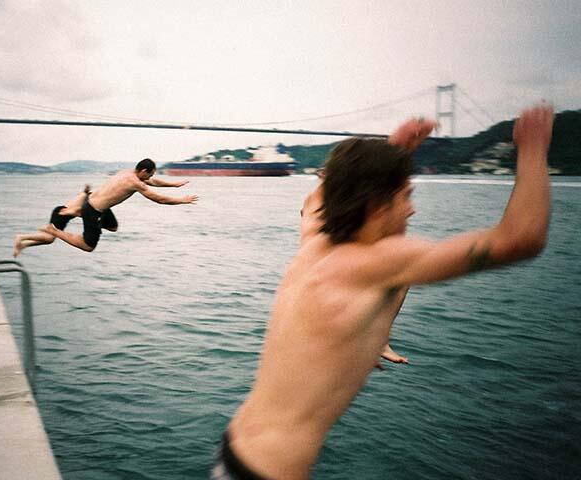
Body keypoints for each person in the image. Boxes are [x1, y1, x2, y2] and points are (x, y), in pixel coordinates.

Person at [213, 103, 554, 480]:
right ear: (377, 206)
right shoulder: (377, 263)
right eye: (406, 196)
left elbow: (323, 196)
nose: (411, 211)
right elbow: (521, 238)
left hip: (234, 448)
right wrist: (533, 148)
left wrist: (395, 149)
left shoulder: (314, 239)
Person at [13, 158, 198, 256]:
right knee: (88, 246)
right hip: (93, 211)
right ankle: (54, 231)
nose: (149, 178)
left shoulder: (126, 173)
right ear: (143, 171)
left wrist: (173, 185)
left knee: (113, 227)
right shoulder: (135, 183)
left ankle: (77, 212)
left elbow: (153, 182)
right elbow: (159, 199)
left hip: (94, 205)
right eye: (149, 174)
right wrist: (182, 200)